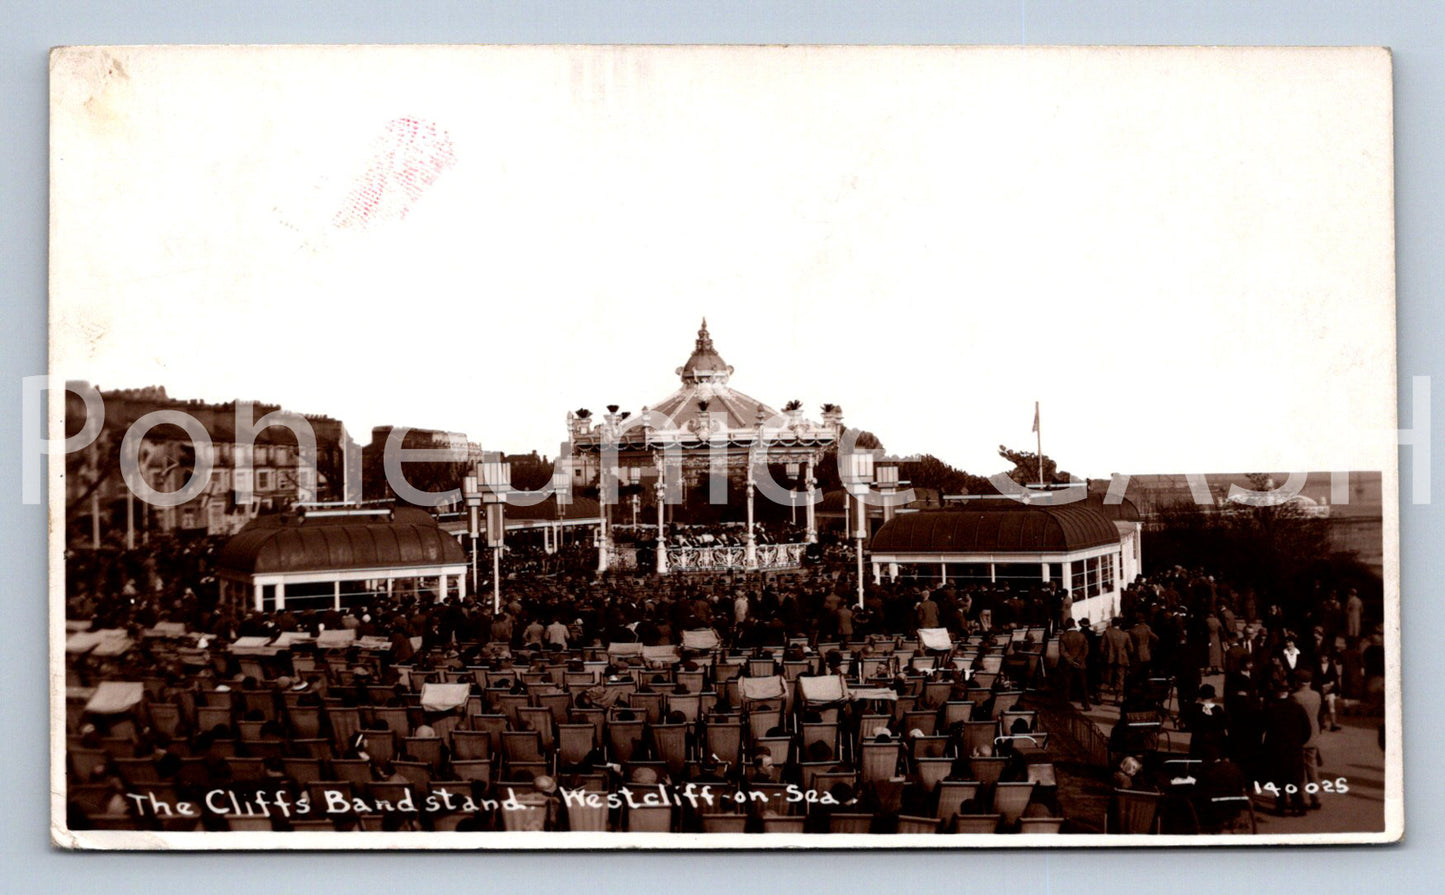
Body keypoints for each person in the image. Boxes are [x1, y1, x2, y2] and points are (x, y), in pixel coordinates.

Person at [1057, 618, 1091, 710]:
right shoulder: (1082, 636)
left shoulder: (1063, 637)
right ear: (1074, 624)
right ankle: (1086, 704)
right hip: (1080, 664)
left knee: (1067, 684)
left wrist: (1071, 660)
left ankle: (1066, 704)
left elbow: (1062, 651)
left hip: (1067, 664)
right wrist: (1079, 660)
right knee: (1083, 685)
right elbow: (1085, 650)